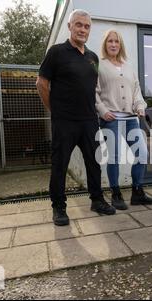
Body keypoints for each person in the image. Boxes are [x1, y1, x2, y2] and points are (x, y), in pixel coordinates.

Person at [36, 9, 115, 226]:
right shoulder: (56, 52)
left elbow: (91, 88)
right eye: (78, 25)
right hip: (65, 122)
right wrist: (55, 111)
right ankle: (59, 208)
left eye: (86, 26)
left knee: (94, 163)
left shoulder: (92, 57)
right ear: (70, 26)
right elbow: (41, 84)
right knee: (60, 165)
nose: (82, 29)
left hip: (89, 121)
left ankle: (97, 200)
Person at [96, 29, 152, 210]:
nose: (114, 44)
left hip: (131, 118)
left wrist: (140, 107)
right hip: (111, 118)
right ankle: (116, 193)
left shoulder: (128, 67)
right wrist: (102, 110)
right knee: (114, 157)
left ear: (120, 44)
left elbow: (137, 92)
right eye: (110, 41)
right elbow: (94, 92)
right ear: (105, 45)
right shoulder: (99, 66)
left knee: (142, 154)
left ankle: (137, 192)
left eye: (116, 41)